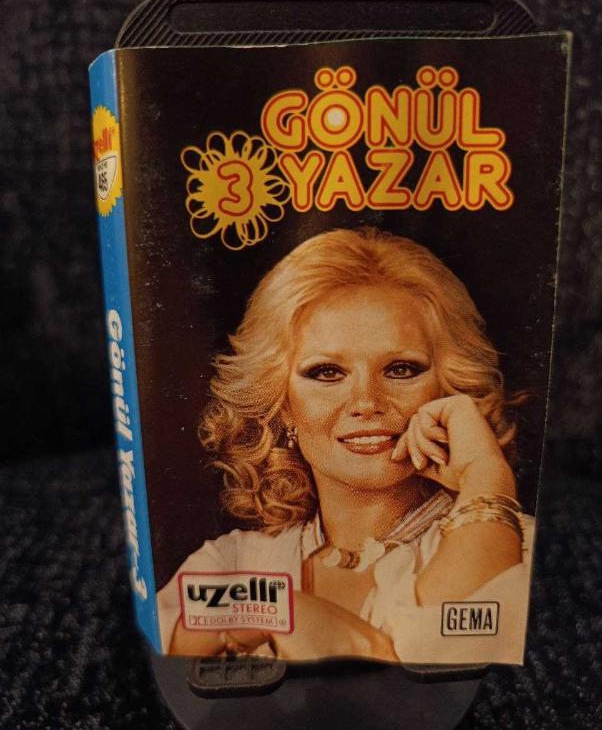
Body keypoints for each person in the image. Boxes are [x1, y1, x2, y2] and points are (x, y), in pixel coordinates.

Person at [158, 227, 534, 664]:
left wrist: (485, 475)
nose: (367, 402)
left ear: (448, 390)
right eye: (326, 373)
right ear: (283, 406)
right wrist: (288, 609)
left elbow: (454, 666)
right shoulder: (232, 561)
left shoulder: (514, 543)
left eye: (400, 369)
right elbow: (169, 660)